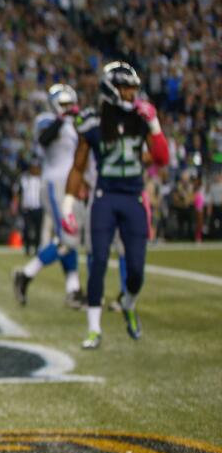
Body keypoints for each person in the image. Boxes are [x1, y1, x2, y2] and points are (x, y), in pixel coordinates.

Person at [63, 61, 169, 349]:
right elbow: (77, 166)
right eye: (126, 89)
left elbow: (161, 158)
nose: (132, 95)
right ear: (112, 90)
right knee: (97, 261)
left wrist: (155, 124)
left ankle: (128, 303)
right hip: (105, 197)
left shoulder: (140, 118)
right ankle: (94, 329)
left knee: (136, 270)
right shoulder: (92, 122)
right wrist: (68, 205)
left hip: (133, 198)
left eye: (134, 89)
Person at [13, 84, 85, 307]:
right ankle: (26, 274)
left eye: (69, 104)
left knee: (69, 239)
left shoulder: (74, 124)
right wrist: (62, 117)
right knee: (66, 237)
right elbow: (44, 139)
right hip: (54, 183)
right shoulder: (46, 119)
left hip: (71, 184)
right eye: (63, 104)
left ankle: (73, 290)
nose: (68, 108)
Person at [15, 160, 44, 257]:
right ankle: (27, 249)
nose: (34, 169)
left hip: (38, 207)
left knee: (38, 230)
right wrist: (16, 204)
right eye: (33, 167)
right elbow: (18, 192)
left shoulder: (42, 179)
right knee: (26, 229)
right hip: (27, 208)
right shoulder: (24, 179)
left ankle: (36, 249)